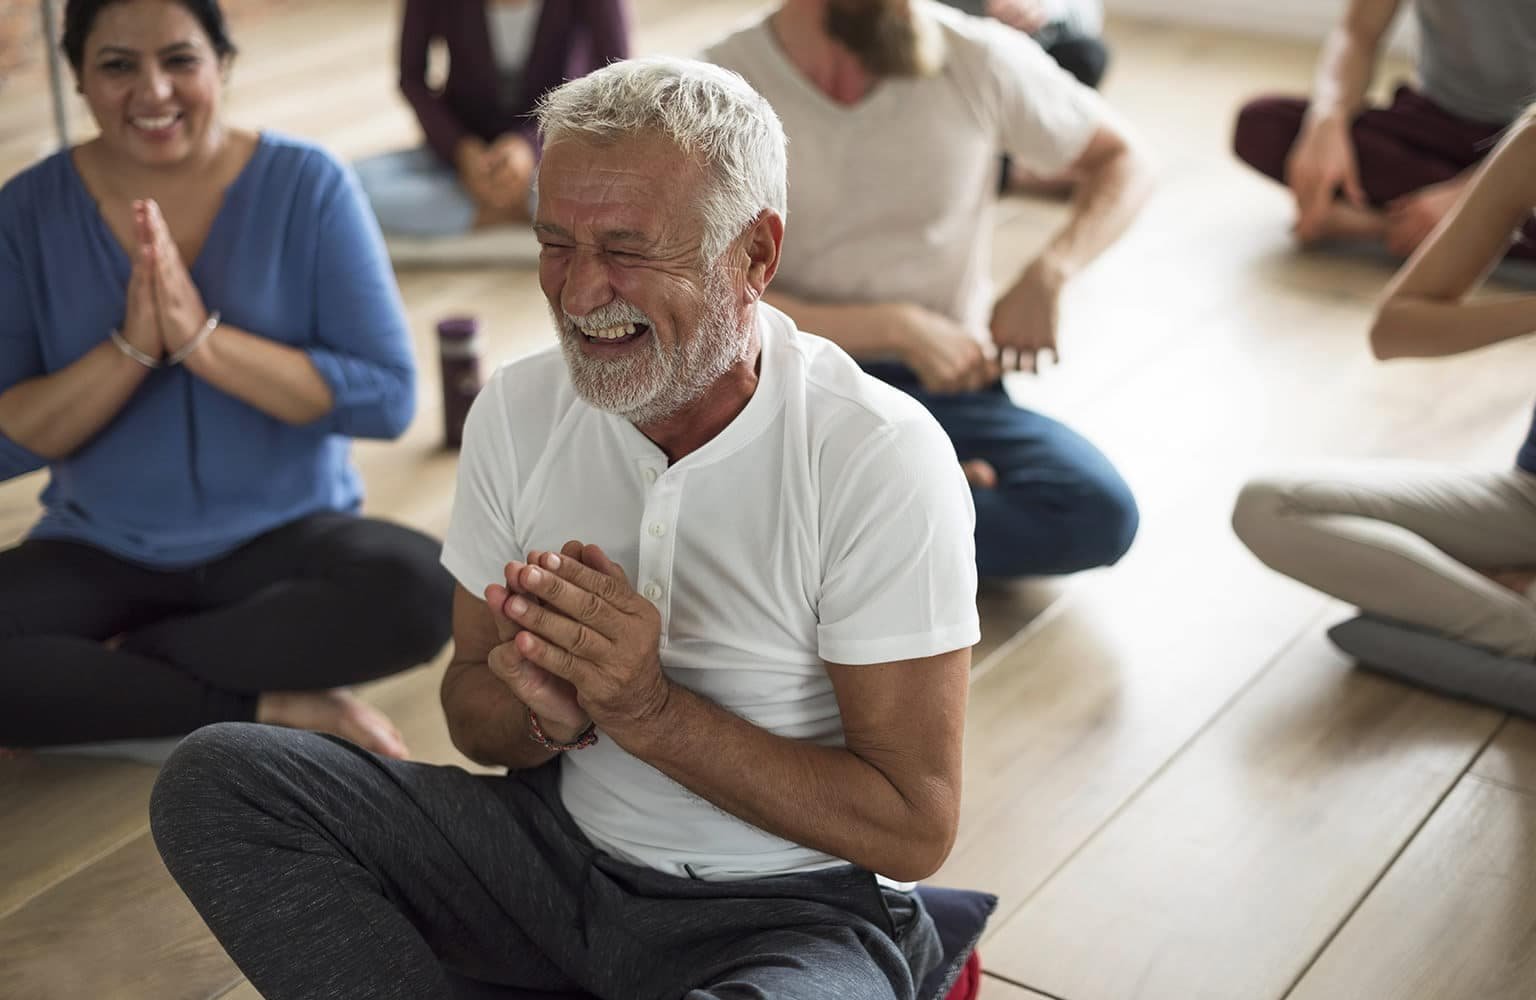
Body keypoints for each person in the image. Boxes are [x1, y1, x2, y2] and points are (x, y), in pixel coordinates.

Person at [150, 58, 980, 1000]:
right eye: (555, 242)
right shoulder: (518, 408)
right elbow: (471, 712)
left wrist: (650, 711)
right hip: (550, 865)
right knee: (218, 780)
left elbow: (914, 825)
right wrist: (545, 708)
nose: (580, 295)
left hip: (791, 916)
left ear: (755, 256)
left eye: (628, 250)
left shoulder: (876, 452)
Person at [0, 0, 454, 758]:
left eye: (180, 59)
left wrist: (203, 342)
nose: (153, 92)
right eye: (117, 65)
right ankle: (268, 700)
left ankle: (111, 675)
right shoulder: (26, 211)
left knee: (423, 590)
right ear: (77, 77)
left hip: (286, 541)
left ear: (222, 64)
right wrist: (132, 349)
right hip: (101, 549)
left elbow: (387, 398)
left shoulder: (309, 184)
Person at [705, 0, 1153, 578]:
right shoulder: (717, 87)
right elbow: (702, 294)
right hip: (773, 387)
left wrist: (1053, 270)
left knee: (1097, 513)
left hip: (945, 386)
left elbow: (1126, 158)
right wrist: (894, 328)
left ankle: (846, 520)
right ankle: (907, 507)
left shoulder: (977, 57)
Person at [1233, 106, 1536, 657]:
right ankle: (1521, 632)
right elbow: (1396, 330)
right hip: (1529, 501)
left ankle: (1499, 612)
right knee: (1268, 507)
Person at [1231, 0, 1536, 260]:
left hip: (1529, 146)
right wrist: (1327, 119)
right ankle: (1461, 231)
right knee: (1262, 124)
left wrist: (1473, 195)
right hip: (1436, 123)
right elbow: (1356, 34)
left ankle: (1383, 226)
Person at [354, 0, 631, 263]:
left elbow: (615, 82)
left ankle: (491, 210)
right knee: (350, 184)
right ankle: (523, 211)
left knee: (622, 192)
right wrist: (460, 149)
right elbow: (412, 78)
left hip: (558, 148)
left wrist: (531, 147)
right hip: (464, 147)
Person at [940, 0, 1108, 89]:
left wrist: (1045, 6)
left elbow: (1090, 16)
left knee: (1089, 55)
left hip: (1036, 51)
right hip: (954, 49)